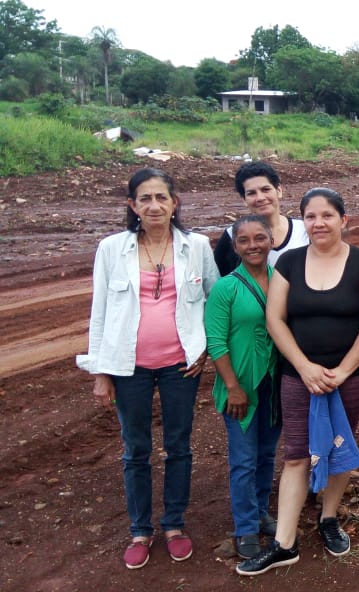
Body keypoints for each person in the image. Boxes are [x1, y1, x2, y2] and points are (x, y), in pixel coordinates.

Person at [237, 187, 359, 576]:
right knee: (298, 453)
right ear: (304, 221)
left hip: (352, 377)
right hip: (299, 376)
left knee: (340, 443)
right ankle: (284, 543)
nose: (319, 223)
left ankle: (328, 518)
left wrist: (343, 371)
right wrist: (303, 367)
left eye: (327, 215)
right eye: (311, 216)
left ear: (343, 220)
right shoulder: (288, 262)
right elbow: (276, 320)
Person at [76, 168, 219, 569]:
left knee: (179, 445)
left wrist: (205, 349)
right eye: (145, 199)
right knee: (135, 449)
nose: (154, 205)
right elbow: (99, 312)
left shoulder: (196, 246)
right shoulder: (111, 249)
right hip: (128, 367)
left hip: (180, 366)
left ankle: (174, 524)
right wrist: (101, 372)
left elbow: (214, 298)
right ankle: (140, 529)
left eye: (162, 197)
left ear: (175, 204)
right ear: (132, 206)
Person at [204, 215, 281, 560]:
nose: (254, 245)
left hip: (275, 384)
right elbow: (216, 343)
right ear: (234, 247)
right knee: (243, 460)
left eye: (260, 238)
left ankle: (262, 511)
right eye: (245, 240)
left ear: (271, 240)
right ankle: (245, 527)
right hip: (241, 388)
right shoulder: (226, 288)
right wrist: (233, 386)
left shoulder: (281, 281)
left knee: (266, 454)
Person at [213, 161, 309, 276]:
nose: (260, 198)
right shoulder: (232, 236)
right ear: (244, 200)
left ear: (279, 191)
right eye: (251, 193)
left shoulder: (304, 230)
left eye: (265, 189)